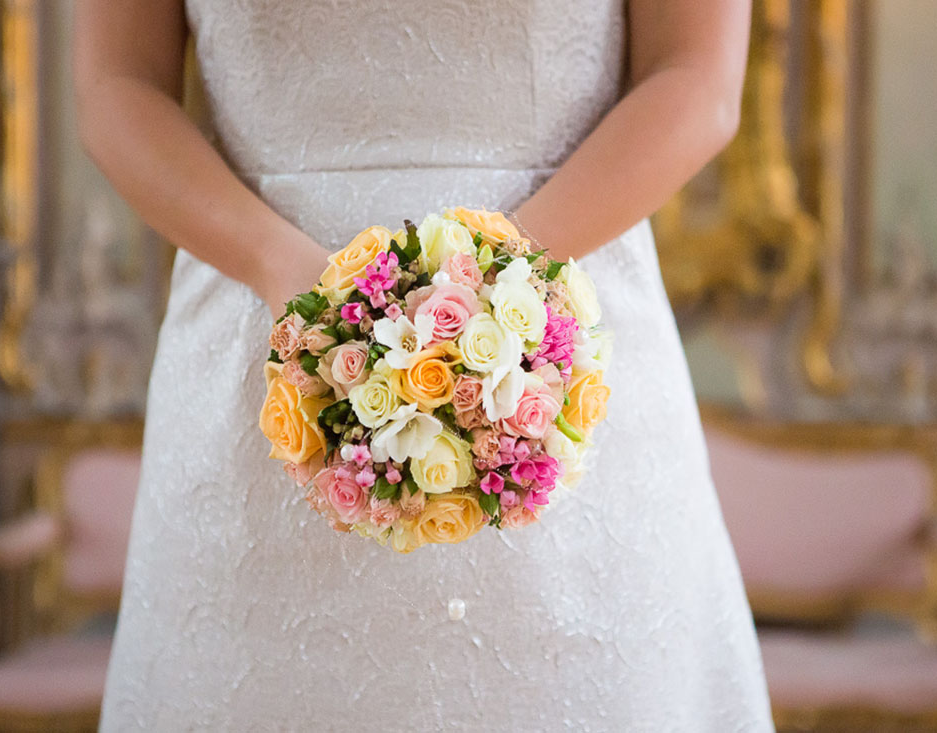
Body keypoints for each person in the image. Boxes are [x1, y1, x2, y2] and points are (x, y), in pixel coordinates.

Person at [76, 0, 773, 729]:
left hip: (549, 332)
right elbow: (115, 87)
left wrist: (502, 284)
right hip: (262, 338)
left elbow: (696, 76)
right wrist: (293, 280)